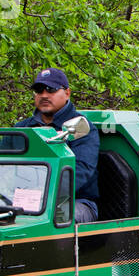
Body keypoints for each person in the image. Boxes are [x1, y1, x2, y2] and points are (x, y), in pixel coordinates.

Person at [14, 67, 99, 223]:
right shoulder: (22, 129)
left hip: (76, 201)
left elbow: (80, 172)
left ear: (67, 93)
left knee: (55, 217)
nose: (44, 95)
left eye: (51, 90)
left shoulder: (82, 127)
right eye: (39, 90)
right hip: (23, 201)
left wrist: (42, 195)